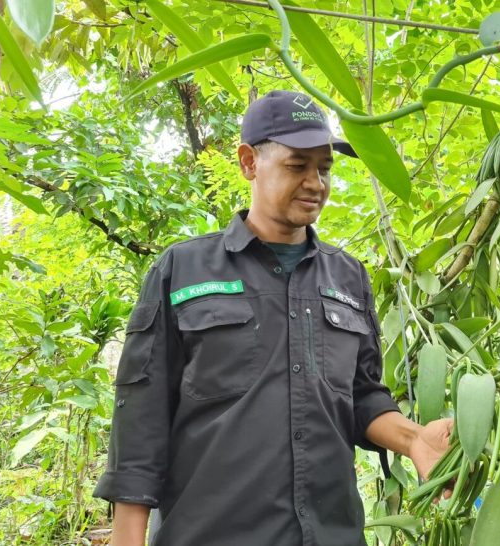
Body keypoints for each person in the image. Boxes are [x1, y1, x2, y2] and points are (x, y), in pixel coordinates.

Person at [93, 90, 453, 545]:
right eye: (297, 165)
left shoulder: (348, 277)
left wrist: (413, 438)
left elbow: (361, 396)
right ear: (249, 162)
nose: (316, 183)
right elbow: (141, 423)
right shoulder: (182, 271)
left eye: (324, 168)